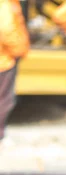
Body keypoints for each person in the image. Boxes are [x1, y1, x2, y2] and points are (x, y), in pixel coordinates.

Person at [0, 0, 30, 143]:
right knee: (4, 99)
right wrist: (19, 50)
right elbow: (6, 30)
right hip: (3, 60)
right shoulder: (5, 4)